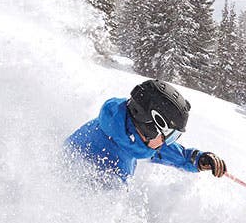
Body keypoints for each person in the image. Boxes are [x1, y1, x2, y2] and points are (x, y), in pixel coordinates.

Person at [66, 79, 227, 184]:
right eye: (168, 136)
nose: (166, 143)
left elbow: (160, 150)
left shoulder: (123, 131)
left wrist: (196, 159)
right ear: (148, 125)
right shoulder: (108, 170)